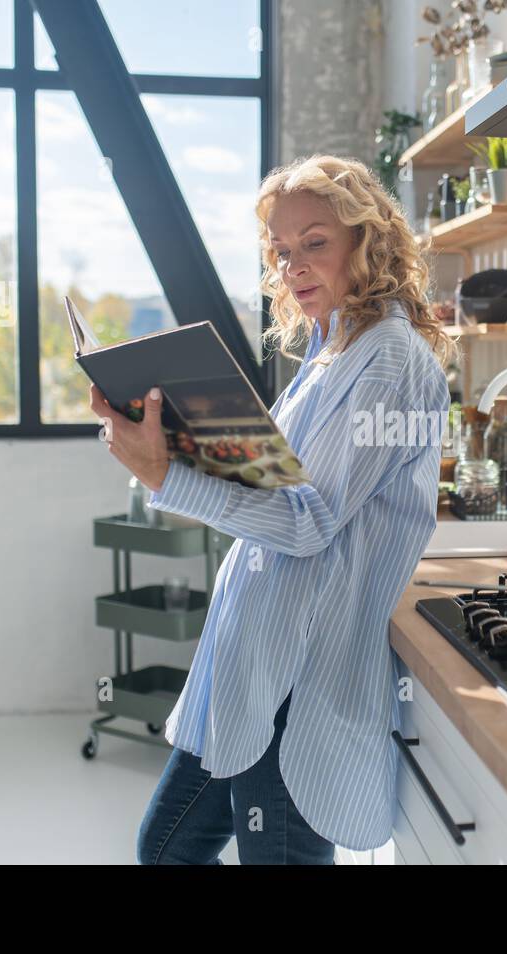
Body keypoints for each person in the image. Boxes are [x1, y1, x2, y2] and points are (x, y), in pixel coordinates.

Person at [92, 154, 455, 864]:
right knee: (163, 851)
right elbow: (278, 490)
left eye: (315, 243)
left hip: (295, 678)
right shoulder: (329, 348)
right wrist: (178, 439)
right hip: (248, 662)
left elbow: (307, 521)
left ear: (367, 240)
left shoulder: (388, 359)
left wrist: (170, 476)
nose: (295, 266)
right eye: (283, 251)